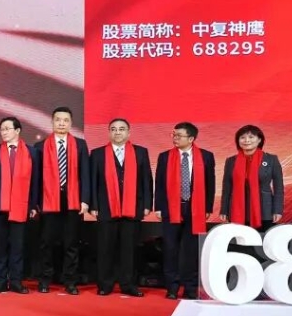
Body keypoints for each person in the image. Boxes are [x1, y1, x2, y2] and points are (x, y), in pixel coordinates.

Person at [89, 118, 152, 297]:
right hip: (105, 208)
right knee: (105, 249)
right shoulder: (98, 154)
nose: (118, 132)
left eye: (122, 129)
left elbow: (147, 180)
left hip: (133, 207)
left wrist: (147, 204)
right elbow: (93, 182)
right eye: (114, 129)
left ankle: (129, 285)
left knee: (129, 250)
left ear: (128, 133)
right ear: (109, 132)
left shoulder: (141, 152)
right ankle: (105, 285)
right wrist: (93, 205)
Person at [154, 122, 216, 300]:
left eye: (179, 135)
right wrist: (159, 207)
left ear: (191, 138)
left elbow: (210, 183)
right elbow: (159, 184)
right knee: (170, 249)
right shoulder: (165, 157)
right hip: (171, 207)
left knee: (191, 250)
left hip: (195, 208)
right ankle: (172, 288)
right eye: (173, 135)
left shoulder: (206, 156)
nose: (175, 138)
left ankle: (190, 287)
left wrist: (208, 207)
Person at [34, 106, 91, 294]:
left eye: (65, 120)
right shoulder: (40, 146)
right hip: (48, 200)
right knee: (46, 243)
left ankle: (70, 281)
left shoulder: (80, 144)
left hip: (72, 200)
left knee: (71, 244)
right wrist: (36, 202)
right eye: (58, 120)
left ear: (71, 123)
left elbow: (85, 174)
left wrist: (85, 200)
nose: (61, 123)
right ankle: (45, 280)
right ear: (52, 122)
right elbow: (36, 178)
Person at [0, 116, 38, 293]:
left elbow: (35, 181)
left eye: (7, 129)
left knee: (17, 246)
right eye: (2, 129)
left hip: (21, 206)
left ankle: (16, 281)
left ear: (17, 130)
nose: (4, 132)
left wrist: (33, 204)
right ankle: (0, 282)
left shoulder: (31, 152)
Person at [220, 125, 284, 231]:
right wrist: (224, 210)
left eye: (251, 137)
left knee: (263, 238)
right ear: (238, 141)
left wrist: (277, 210)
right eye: (242, 137)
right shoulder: (231, 161)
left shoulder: (271, 159)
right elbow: (227, 187)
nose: (246, 140)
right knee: (240, 238)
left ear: (259, 140)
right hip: (237, 210)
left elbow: (279, 188)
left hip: (265, 210)